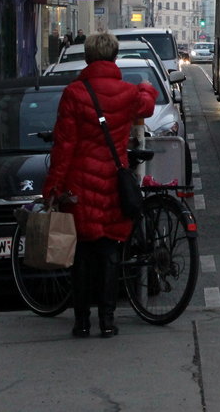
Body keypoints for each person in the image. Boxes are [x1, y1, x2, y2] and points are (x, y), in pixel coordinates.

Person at [43, 31, 157, 338]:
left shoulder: (74, 93)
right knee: (109, 252)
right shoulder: (127, 93)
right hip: (111, 182)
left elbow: (64, 146)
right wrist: (146, 87)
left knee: (80, 255)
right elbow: (146, 106)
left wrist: (52, 187)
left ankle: (81, 321)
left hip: (78, 185)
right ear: (115, 57)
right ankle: (108, 321)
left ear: (88, 57)